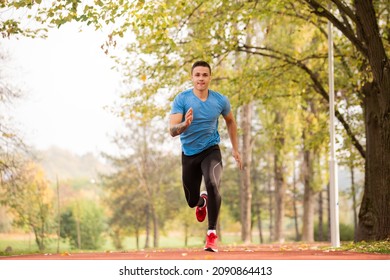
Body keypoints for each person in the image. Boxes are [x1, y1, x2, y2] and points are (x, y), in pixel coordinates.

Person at [169, 60, 242, 252]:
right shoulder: (182, 99)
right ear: (192, 78)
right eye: (197, 75)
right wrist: (185, 125)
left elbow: (231, 121)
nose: (201, 78)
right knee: (191, 201)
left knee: (212, 183)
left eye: (205, 75)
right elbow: (172, 130)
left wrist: (235, 149)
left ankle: (211, 234)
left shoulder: (220, 101)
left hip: (211, 150)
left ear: (210, 77)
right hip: (189, 154)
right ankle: (202, 202)